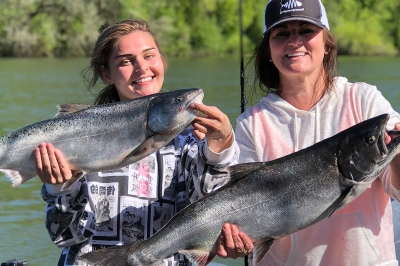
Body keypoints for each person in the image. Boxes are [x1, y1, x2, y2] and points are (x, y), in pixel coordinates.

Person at [34, 19, 253, 266]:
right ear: (106, 73)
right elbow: (64, 236)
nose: (141, 68)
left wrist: (220, 149)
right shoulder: (80, 140)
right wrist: (59, 187)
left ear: (162, 61)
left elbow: (216, 216)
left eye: (149, 56)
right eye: (126, 61)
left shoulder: (194, 139)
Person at [235, 0, 400, 265]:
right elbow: (242, 222)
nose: (294, 41)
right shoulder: (250, 124)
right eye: (282, 33)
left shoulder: (365, 101)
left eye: (306, 30)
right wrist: (236, 240)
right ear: (268, 50)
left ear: (327, 44)